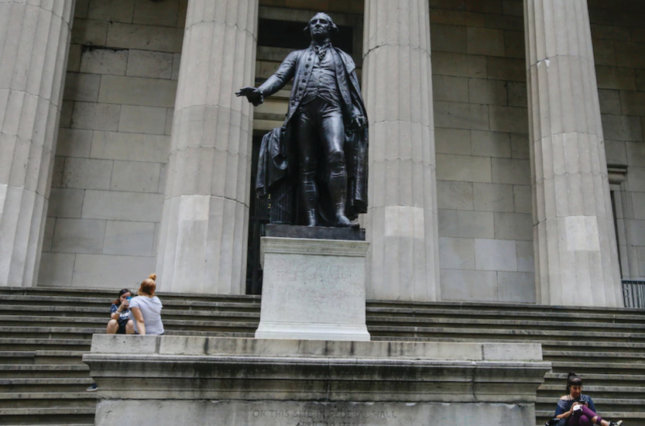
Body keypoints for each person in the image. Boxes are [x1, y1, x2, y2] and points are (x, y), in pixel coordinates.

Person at [237, 12, 368, 227]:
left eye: (322, 22)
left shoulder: (343, 58)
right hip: (304, 113)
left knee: (336, 153)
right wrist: (260, 91)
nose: (317, 25)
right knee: (307, 165)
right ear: (308, 29)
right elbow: (279, 77)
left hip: (332, 110)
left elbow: (352, 90)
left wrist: (355, 112)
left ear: (331, 28)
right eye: (313, 22)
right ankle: (311, 220)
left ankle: (339, 214)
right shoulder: (297, 56)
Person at [551, 372, 622, 426]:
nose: (578, 391)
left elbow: (594, 415)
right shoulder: (564, 399)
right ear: (570, 387)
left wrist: (586, 410)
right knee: (578, 408)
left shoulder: (586, 398)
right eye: (575, 388)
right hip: (569, 423)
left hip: (585, 422)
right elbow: (557, 416)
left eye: (579, 388)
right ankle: (608, 424)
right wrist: (570, 411)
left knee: (583, 417)